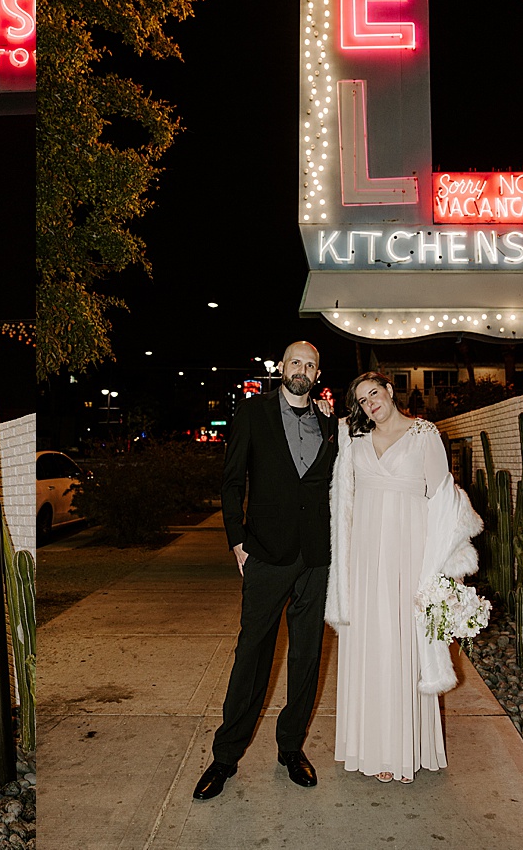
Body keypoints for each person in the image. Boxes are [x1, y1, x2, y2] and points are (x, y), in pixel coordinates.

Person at [194, 341, 337, 800]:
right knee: (251, 656)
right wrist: (238, 542)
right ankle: (225, 756)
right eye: (296, 361)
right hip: (265, 554)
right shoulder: (253, 413)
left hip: (316, 557)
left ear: (317, 373)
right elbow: (232, 481)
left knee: (306, 657)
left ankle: (291, 748)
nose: (302, 369)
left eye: (310, 364)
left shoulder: (332, 424)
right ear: (283, 368)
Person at [325, 373, 481, 784]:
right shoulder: (354, 441)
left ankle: (401, 748)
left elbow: (442, 500)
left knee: (402, 647)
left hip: (410, 557)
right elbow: (346, 499)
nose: (370, 403)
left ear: (390, 392)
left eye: (374, 393)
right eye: (361, 400)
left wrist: (442, 573)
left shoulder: (424, 434)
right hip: (365, 560)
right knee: (371, 646)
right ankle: (368, 745)